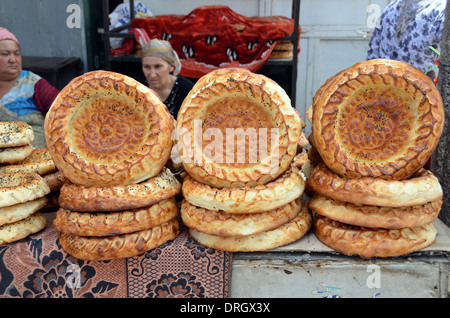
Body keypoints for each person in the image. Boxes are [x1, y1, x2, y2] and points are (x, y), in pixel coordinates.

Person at [0, 27, 60, 148]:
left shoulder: (35, 84)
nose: (13, 59)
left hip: (35, 158)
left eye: (17, 54)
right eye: (5, 54)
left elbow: (63, 112)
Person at [366, 0, 446, 79]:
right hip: (387, 83)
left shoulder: (390, 7)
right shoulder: (390, 8)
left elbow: (372, 53)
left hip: (415, 85)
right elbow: (373, 52)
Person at [141, 39, 194, 119]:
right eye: (147, 67)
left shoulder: (186, 89)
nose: (152, 75)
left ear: (171, 67)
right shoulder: (137, 87)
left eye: (158, 67)